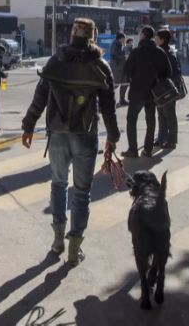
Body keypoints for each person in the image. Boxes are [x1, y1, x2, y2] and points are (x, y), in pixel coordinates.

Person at [21, 18, 119, 266]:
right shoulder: (101, 65)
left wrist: (29, 125)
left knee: (57, 185)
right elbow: (109, 108)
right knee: (82, 192)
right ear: (93, 36)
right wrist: (113, 137)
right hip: (86, 135)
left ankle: (57, 242)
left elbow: (40, 96)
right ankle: (74, 249)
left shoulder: (56, 61)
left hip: (57, 133)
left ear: (73, 34)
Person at [122, 26, 171, 158]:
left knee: (131, 119)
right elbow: (168, 72)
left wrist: (135, 76)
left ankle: (133, 149)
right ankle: (147, 149)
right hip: (153, 92)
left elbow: (126, 71)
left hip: (137, 91)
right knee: (151, 120)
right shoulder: (160, 52)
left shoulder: (136, 52)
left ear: (143, 35)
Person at [154, 29, 183, 150]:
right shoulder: (167, 50)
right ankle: (162, 138)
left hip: (168, 88)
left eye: (157, 38)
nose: (155, 40)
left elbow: (173, 71)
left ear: (162, 40)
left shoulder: (166, 52)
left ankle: (172, 141)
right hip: (164, 88)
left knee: (170, 115)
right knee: (161, 114)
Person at [109, 32, 127, 107]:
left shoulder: (119, 44)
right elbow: (114, 55)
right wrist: (124, 55)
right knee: (115, 84)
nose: (124, 40)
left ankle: (122, 100)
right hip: (117, 68)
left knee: (125, 83)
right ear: (120, 38)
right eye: (124, 38)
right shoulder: (115, 44)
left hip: (122, 68)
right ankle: (108, 100)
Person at [119, 37, 134, 105]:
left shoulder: (130, 48)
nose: (132, 44)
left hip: (128, 69)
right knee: (124, 84)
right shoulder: (126, 48)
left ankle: (123, 99)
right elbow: (127, 57)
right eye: (130, 43)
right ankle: (122, 100)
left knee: (126, 84)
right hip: (125, 69)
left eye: (132, 43)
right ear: (127, 43)